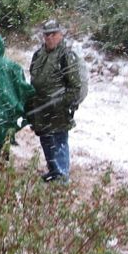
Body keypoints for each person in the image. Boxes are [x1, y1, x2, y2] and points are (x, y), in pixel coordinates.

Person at [26, 20, 84, 182]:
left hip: (58, 110)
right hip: (40, 107)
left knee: (59, 141)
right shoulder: (38, 54)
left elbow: (74, 87)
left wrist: (60, 103)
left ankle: (62, 175)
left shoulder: (66, 55)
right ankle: (53, 170)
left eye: (53, 34)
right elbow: (33, 78)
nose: (50, 38)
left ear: (60, 35)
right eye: (46, 34)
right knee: (45, 140)